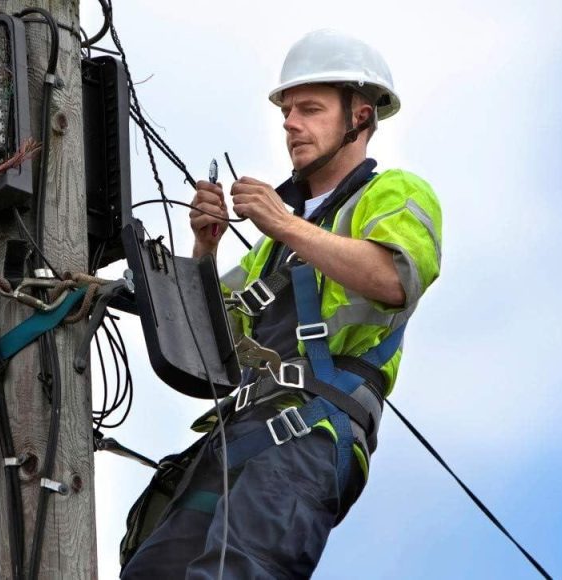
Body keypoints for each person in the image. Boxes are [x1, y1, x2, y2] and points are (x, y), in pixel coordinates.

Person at [121, 29, 442, 579]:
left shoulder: (393, 192)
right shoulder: (276, 240)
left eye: (310, 109)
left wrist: (284, 222)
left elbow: (393, 279)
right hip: (240, 434)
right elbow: (208, 343)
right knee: (151, 570)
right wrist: (206, 245)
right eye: (287, 111)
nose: (291, 123)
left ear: (360, 118)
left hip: (313, 432)